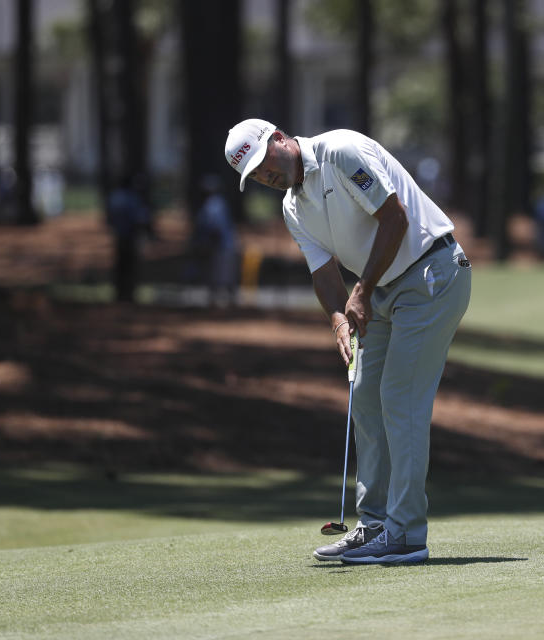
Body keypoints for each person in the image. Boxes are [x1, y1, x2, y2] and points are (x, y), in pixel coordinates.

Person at [225, 119, 471, 565]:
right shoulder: (292, 208)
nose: (267, 175)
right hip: (382, 291)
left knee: (400, 397)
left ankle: (407, 534)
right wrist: (339, 320)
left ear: (279, 138)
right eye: (256, 175)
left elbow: (393, 218)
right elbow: (323, 272)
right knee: (365, 398)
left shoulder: (340, 153)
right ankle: (374, 524)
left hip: (432, 273)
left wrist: (360, 291)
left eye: (265, 162)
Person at [192, 174, 240, 306]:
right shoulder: (219, 203)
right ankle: (225, 301)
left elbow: (214, 227)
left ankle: (221, 302)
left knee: (219, 275)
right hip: (225, 245)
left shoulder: (213, 205)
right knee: (223, 275)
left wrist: (205, 244)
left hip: (220, 245)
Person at [106, 173, 150, 303]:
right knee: (130, 266)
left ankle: (119, 293)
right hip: (131, 236)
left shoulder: (115, 197)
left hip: (119, 236)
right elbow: (140, 219)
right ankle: (129, 294)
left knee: (120, 265)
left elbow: (109, 218)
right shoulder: (133, 198)